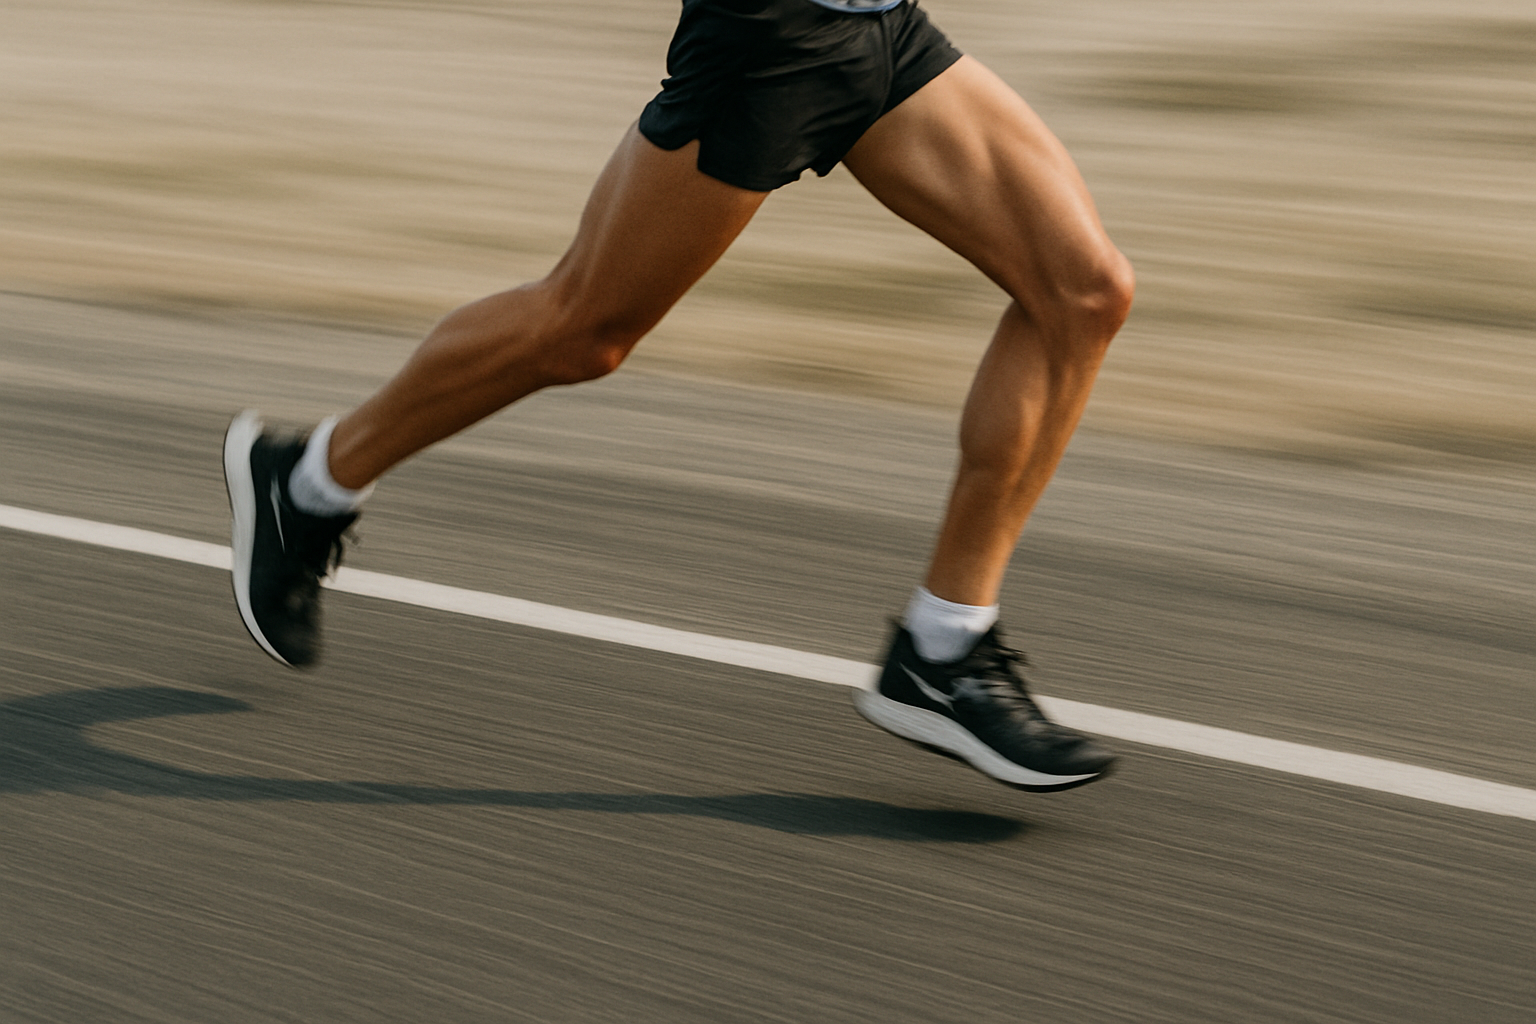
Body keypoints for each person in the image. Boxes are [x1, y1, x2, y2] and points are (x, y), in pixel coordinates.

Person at [223, 0, 1133, 792]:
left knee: (1083, 292)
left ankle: (944, 648)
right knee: (584, 328)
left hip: (881, 29)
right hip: (771, 36)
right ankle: (306, 484)